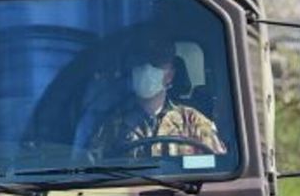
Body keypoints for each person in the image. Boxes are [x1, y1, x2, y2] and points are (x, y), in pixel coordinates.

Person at [88, 34, 226, 160]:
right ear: (131, 71)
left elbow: (220, 168)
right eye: (140, 63)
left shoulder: (193, 122)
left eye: (156, 63)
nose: (147, 70)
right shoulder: (112, 124)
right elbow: (94, 171)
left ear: (170, 75)